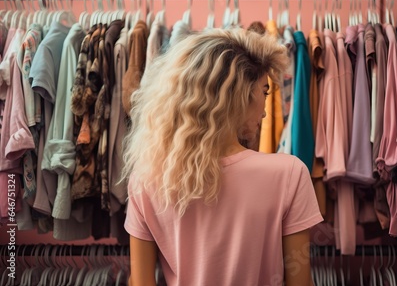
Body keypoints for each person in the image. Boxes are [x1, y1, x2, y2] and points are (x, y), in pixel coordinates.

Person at [123, 27, 323, 286]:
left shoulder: (146, 179)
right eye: (264, 92)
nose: (264, 112)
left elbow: (140, 282)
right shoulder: (289, 173)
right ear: (238, 95)